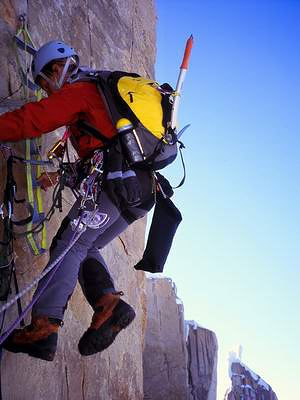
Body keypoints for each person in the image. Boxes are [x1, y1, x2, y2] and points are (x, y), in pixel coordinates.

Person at [0, 40, 155, 361]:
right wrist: (58, 176)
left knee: (67, 245)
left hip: (118, 183)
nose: (45, 92)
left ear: (56, 69)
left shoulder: (80, 89)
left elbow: (34, 120)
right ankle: (108, 304)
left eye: (44, 83)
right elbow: (100, 153)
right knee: (84, 246)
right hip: (139, 189)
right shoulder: (99, 94)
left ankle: (44, 327)